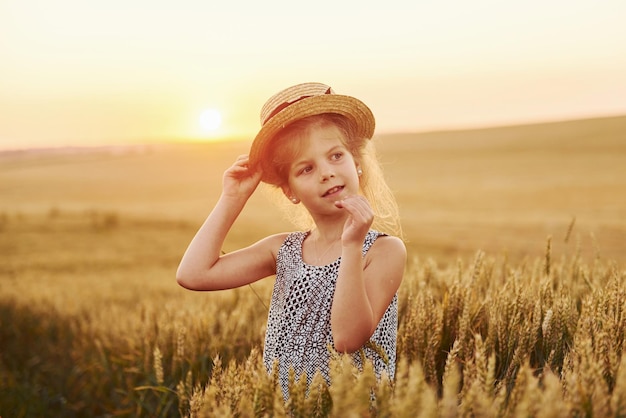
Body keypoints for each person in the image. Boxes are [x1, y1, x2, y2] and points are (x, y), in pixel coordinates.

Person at [176, 82, 406, 399]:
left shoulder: (382, 250)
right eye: (306, 168)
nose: (326, 172)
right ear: (290, 191)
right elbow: (193, 274)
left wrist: (351, 246)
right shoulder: (282, 250)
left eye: (336, 156)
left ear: (357, 164)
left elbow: (347, 339)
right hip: (288, 406)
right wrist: (232, 199)